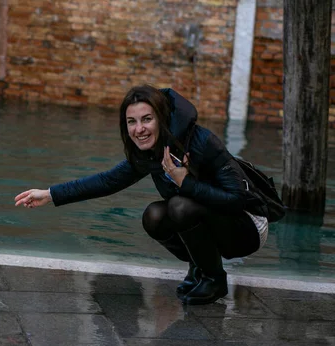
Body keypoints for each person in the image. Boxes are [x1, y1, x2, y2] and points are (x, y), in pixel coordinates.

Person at [14, 85, 269, 305]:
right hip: (210, 218)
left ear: (162, 118)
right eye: (131, 122)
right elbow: (107, 181)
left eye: (147, 119)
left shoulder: (201, 141)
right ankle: (200, 265)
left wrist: (186, 182)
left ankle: (215, 279)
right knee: (154, 215)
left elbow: (238, 200)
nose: (139, 129)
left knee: (179, 206)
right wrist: (50, 194)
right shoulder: (150, 152)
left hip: (247, 227)